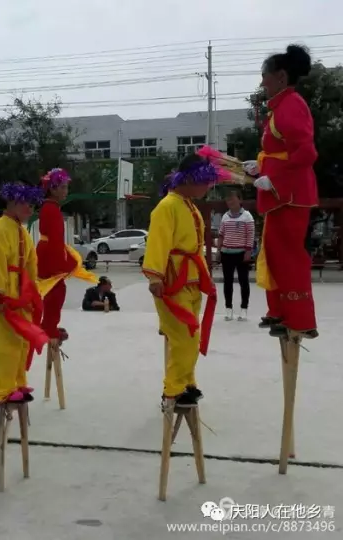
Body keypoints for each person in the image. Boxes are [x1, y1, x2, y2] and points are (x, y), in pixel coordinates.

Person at [243, 44, 318, 339]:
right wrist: (260, 166)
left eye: (265, 75)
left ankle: (300, 319)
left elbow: (306, 153)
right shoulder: (279, 108)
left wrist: (274, 180)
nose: (262, 82)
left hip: (290, 195)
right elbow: (282, 153)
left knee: (288, 256)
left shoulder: (293, 105)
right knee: (273, 254)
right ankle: (280, 311)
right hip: (279, 196)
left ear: (281, 77)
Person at [143, 153, 218, 409]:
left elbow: (196, 249)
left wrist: (205, 278)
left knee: (188, 335)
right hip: (173, 281)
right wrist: (155, 276)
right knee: (186, 336)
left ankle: (186, 383)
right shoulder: (167, 206)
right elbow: (158, 242)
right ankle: (172, 389)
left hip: (192, 279)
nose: (207, 188)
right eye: (204, 182)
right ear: (191, 179)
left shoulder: (189, 205)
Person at [0, 183, 48, 405]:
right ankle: (4, 390)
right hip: (3, 295)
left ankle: (18, 382)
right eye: (27, 205)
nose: (31, 210)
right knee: (8, 344)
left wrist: (32, 294)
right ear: (14, 203)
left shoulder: (21, 230)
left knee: (23, 342)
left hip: (20, 296)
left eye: (32, 205)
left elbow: (31, 265)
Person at [37, 168, 97, 341]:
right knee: (56, 291)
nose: (66, 191)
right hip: (50, 252)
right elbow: (55, 240)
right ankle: (49, 327)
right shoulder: (51, 209)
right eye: (62, 187)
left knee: (54, 290)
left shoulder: (50, 207)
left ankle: (49, 325)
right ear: (53, 189)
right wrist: (61, 263)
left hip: (47, 250)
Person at [217, 191, 255, 321]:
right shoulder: (225, 217)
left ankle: (244, 309)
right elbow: (221, 234)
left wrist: (248, 252)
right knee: (227, 282)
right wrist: (218, 251)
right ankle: (228, 309)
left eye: (232, 199)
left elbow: (250, 235)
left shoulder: (247, 216)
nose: (230, 202)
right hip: (226, 253)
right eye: (228, 200)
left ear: (240, 200)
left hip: (241, 254)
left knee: (244, 282)